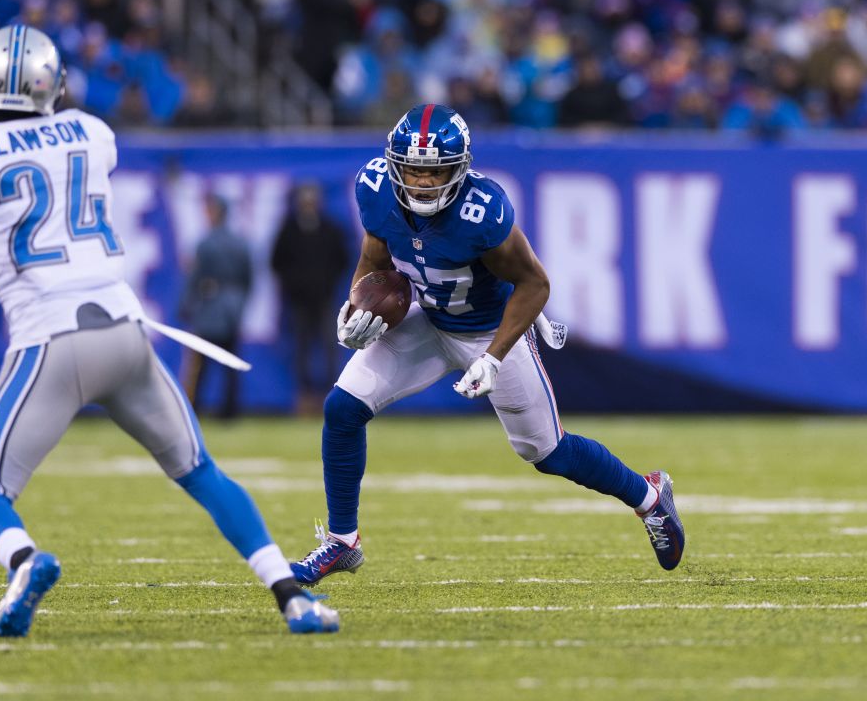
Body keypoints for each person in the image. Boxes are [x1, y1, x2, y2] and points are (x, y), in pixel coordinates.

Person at [0, 25, 339, 637]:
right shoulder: (91, 132)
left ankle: (26, 560)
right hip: (124, 330)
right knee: (202, 473)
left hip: (51, 338)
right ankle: (292, 596)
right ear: (52, 86)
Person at [289, 104, 686, 585]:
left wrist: (494, 357)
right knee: (342, 407)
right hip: (429, 320)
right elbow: (375, 257)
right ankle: (341, 542)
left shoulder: (483, 210)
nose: (421, 182)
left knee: (548, 454)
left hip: (488, 328)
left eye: (435, 172)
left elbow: (536, 285)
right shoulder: (374, 188)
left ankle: (648, 497)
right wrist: (358, 306)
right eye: (413, 169)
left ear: (459, 170)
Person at [270, 182, 350, 415]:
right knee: (302, 350)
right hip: (299, 301)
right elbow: (276, 262)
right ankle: (305, 396)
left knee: (329, 346)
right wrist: (294, 284)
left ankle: (331, 394)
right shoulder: (289, 230)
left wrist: (327, 281)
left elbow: (342, 259)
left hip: (324, 298)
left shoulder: (330, 228)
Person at [178, 194, 251, 420]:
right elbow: (248, 279)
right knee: (230, 364)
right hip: (232, 309)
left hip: (210, 308)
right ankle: (230, 411)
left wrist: (185, 305)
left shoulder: (206, 243)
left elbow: (195, 278)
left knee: (201, 365)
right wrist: (238, 303)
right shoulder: (240, 243)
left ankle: (194, 409)